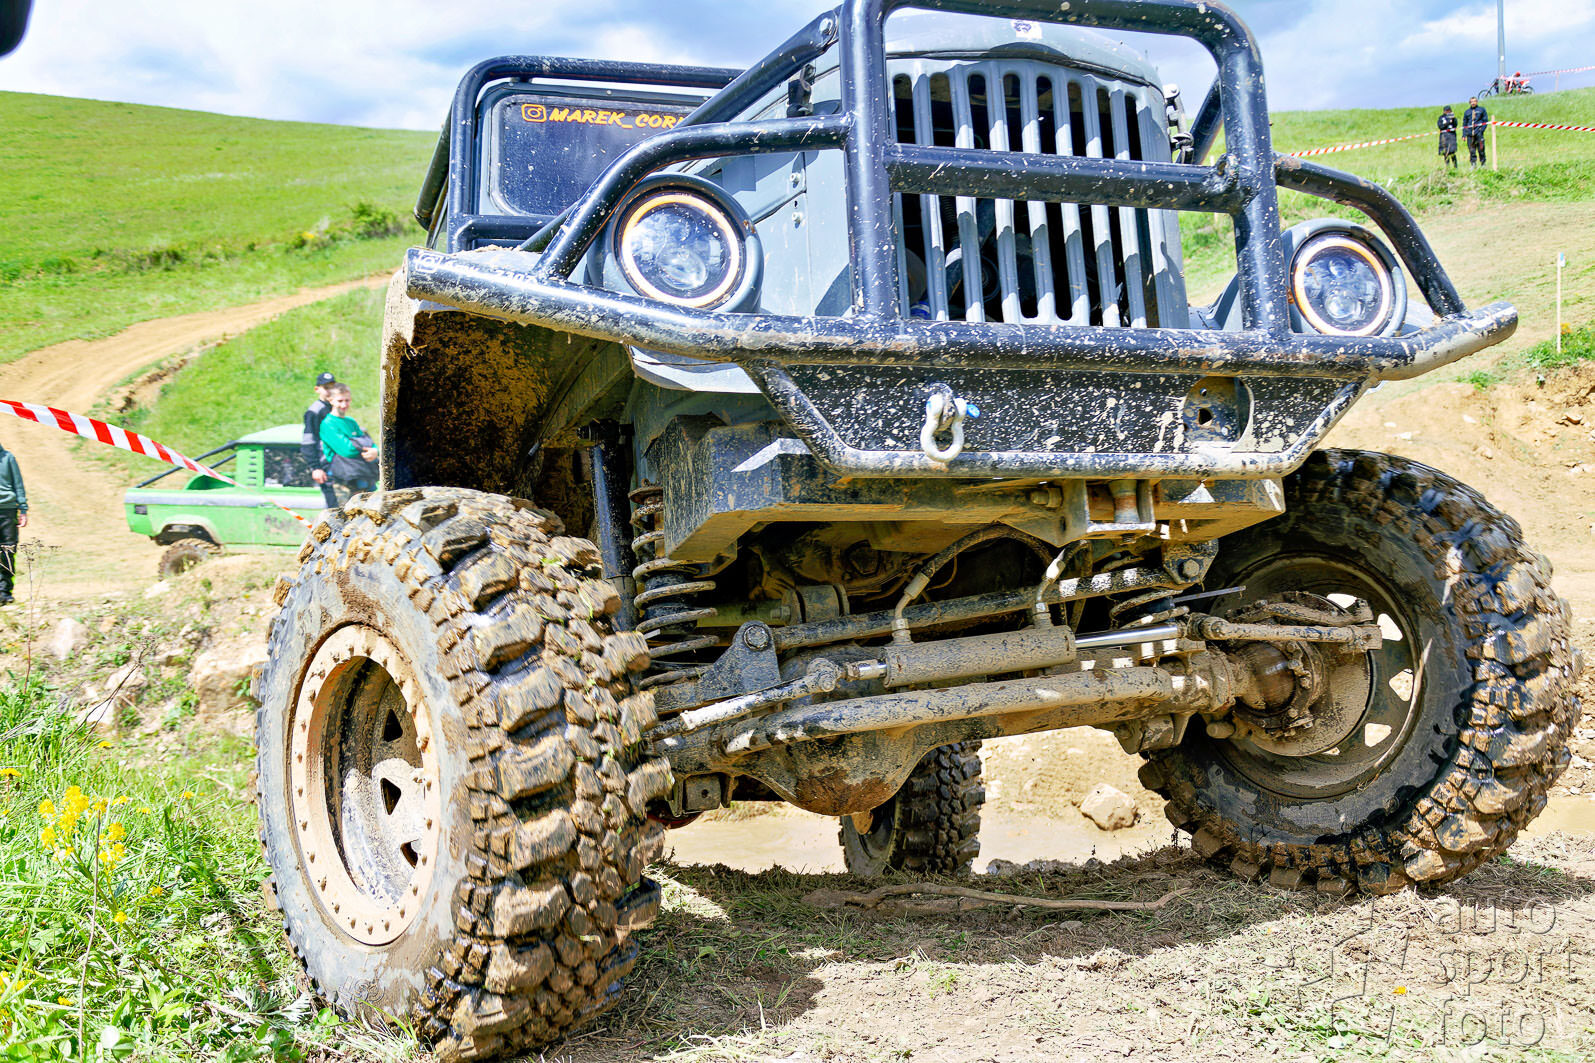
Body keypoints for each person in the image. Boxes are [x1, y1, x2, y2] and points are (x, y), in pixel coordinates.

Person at [318, 383, 379, 502]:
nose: (344, 405)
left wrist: (375, 451)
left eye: (347, 400)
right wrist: (362, 444)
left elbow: (369, 442)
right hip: (344, 483)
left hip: (364, 478)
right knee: (346, 514)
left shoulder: (351, 422)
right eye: (340, 401)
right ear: (331, 400)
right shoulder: (328, 424)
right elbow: (347, 450)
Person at [301, 371, 339, 507]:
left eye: (332, 387)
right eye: (326, 388)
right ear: (317, 389)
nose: (330, 391)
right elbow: (308, 441)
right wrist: (316, 467)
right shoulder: (314, 411)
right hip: (325, 466)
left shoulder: (336, 407)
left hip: (340, 465)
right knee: (335, 508)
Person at [0, 440, 27, 605]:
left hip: (8, 510)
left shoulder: (8, 458)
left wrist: (23, 509)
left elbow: (18, 484)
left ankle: (5, 592)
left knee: (8, 550)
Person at [1463, 96, 1490, 167]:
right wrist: (1464, 134)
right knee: (1471, 150)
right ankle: (1473, 164)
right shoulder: (1467, 112)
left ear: (1477, 102)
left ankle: (1483, 164)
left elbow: (1485, 121)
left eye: (1474, 101)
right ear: (1469, 103)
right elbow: (1464, 124)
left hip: (1479, 133)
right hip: (1470, 134)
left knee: (1481, 149)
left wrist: (1481, 130)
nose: (1473, 103)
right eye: (1471, 102)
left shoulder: (1481, 110)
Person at [1437, 105, 1458, 169]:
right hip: (1444, 136)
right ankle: (1447, 167)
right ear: (1444, 111)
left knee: (1452, 152)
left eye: (1449, 110)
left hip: (1452, 136)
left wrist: (1453, 119)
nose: (1448, 112)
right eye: (1446, 111)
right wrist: (1448, 122)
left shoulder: (1453, 117)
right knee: (1445, 152)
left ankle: (1455, 167)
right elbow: (1440, 126)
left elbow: (1455, 125)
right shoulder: (1441, 118)